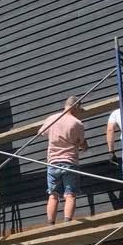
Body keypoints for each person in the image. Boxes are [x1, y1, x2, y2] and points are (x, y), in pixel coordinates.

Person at [38, 96, 88, 224]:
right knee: (70, 194)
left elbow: (41, 132)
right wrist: (83, 146)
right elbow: (82, 144)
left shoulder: (52, 119)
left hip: (53, 162)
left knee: (53, 195)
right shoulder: (77, 123)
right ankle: (67, 222)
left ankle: (51, 223)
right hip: (69, 162)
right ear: (76, 107)